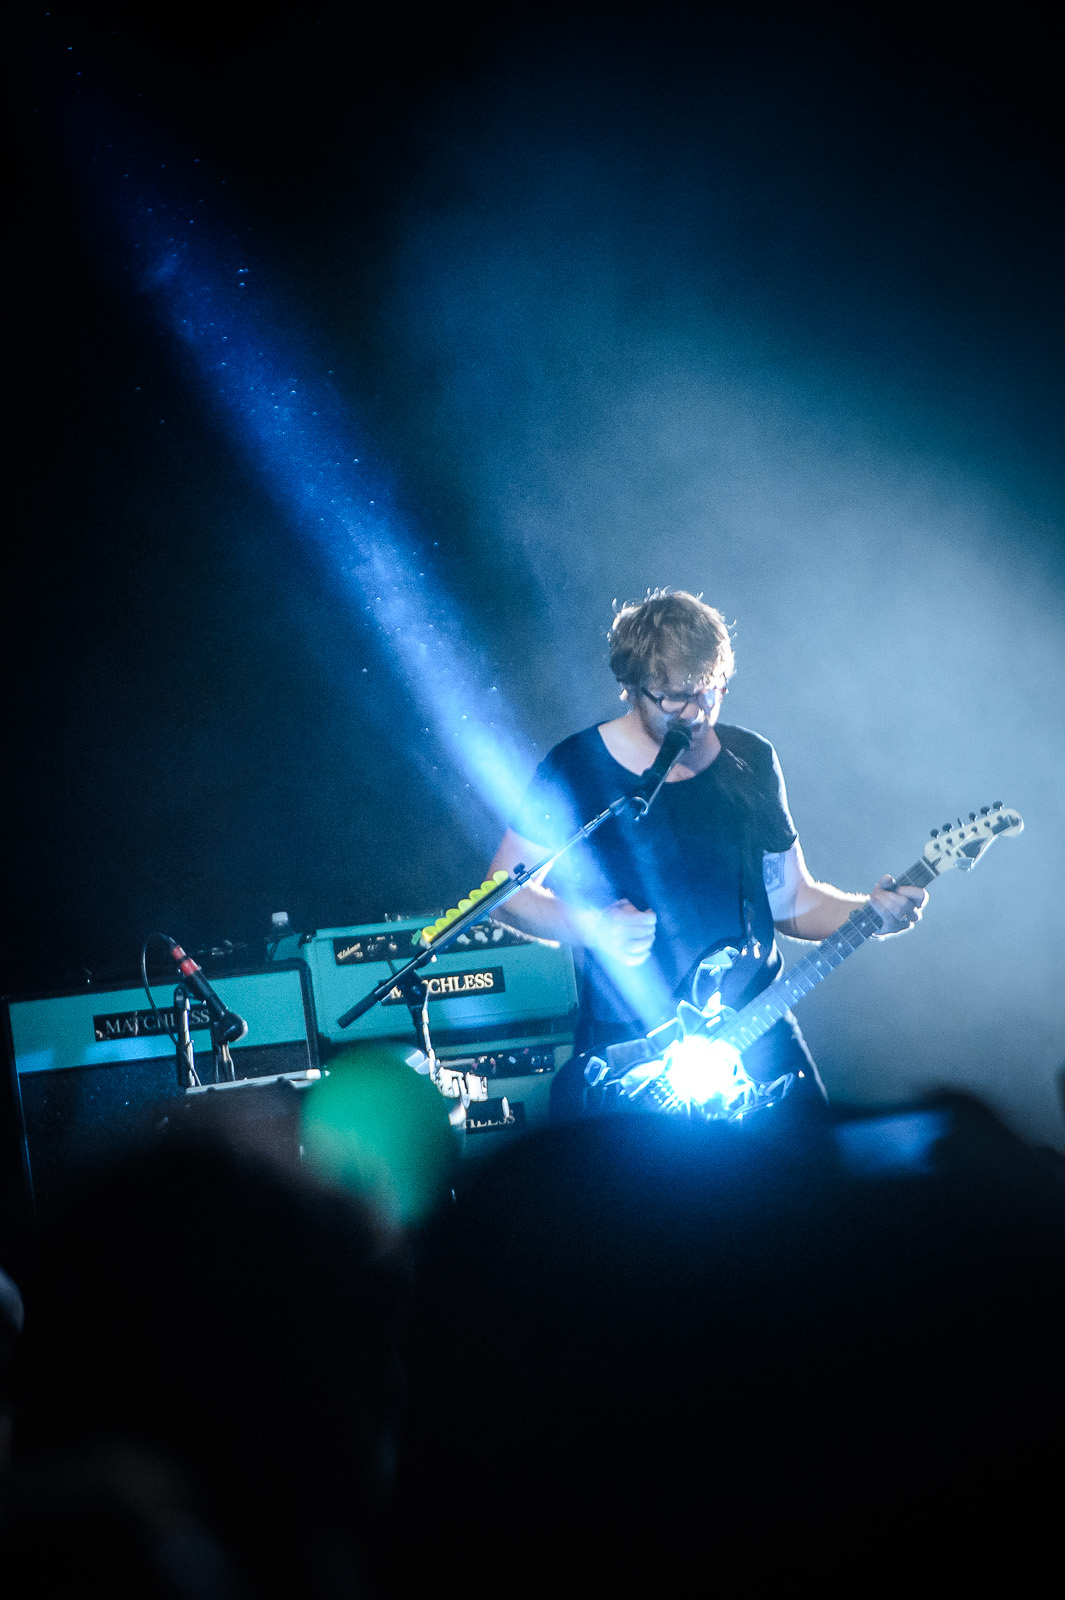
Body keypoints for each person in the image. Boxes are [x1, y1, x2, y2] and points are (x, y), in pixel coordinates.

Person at [489, 589, 927, 1113]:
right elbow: (503, 891)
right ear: (632, 687)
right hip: (632, 1045)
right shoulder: (576, 766)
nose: (696, 713)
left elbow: (790, 900)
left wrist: (870, 914)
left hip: (755, 1025)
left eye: (710, 691)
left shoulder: (750, 760)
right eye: (675, 697)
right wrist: (593, 926)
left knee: (809, 1157)